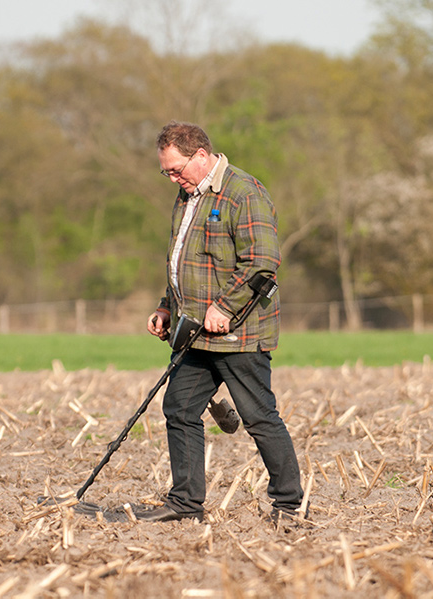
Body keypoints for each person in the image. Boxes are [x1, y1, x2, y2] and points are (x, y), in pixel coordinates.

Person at [139, 121, 305, 523]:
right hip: (194, 333)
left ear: (201, 155)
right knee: (178, 409)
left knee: (259, 417)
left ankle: (289, 505)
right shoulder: (186, 196)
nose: (173, 178)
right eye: (166, 172)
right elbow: (184, 262)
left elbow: (262, 263)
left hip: (240, 333)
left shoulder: (244, 193)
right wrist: (166, 306)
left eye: (176, 169)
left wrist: (225, 308)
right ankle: (185, 503)